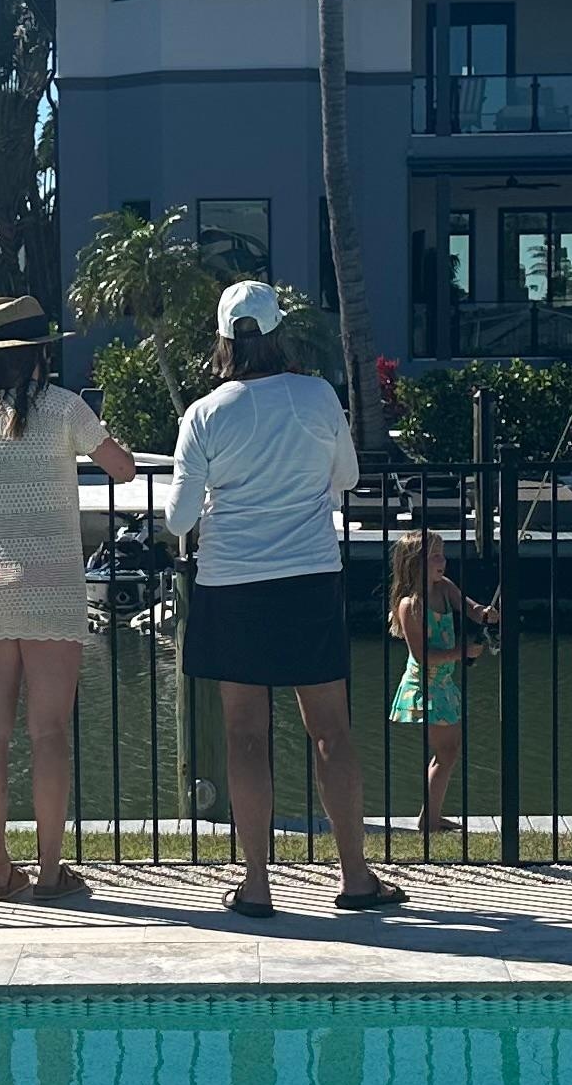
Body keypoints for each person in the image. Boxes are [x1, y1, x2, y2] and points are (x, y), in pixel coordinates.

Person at [166, 279, 407, 918]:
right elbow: (347, 477)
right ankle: (355, 878)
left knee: (245, 735)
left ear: (224, 340)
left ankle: (256, 885)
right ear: (278, 332)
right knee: (331, 731)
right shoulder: (317, 395)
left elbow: (180, 518)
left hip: (231, 584)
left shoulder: (204, 414)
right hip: (308, 578)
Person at [0, 295, 137, 901]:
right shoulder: (63, 407)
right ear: (39, 353)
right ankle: (52, 871)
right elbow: (123, 469)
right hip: (51, 584)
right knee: (49, 732)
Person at [383, 524, 499, 838]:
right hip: (427, 686)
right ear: (415, 563)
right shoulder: (410, 605)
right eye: (434, 556)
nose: (442, 561)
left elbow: (470, 608)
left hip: (445, 683)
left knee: (448, 751)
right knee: (446, 752)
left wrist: (484, 613)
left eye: (442, 554)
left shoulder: (444, 588)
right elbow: (421, 656)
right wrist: (462, 652)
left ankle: (431, 817)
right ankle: (430, 821)